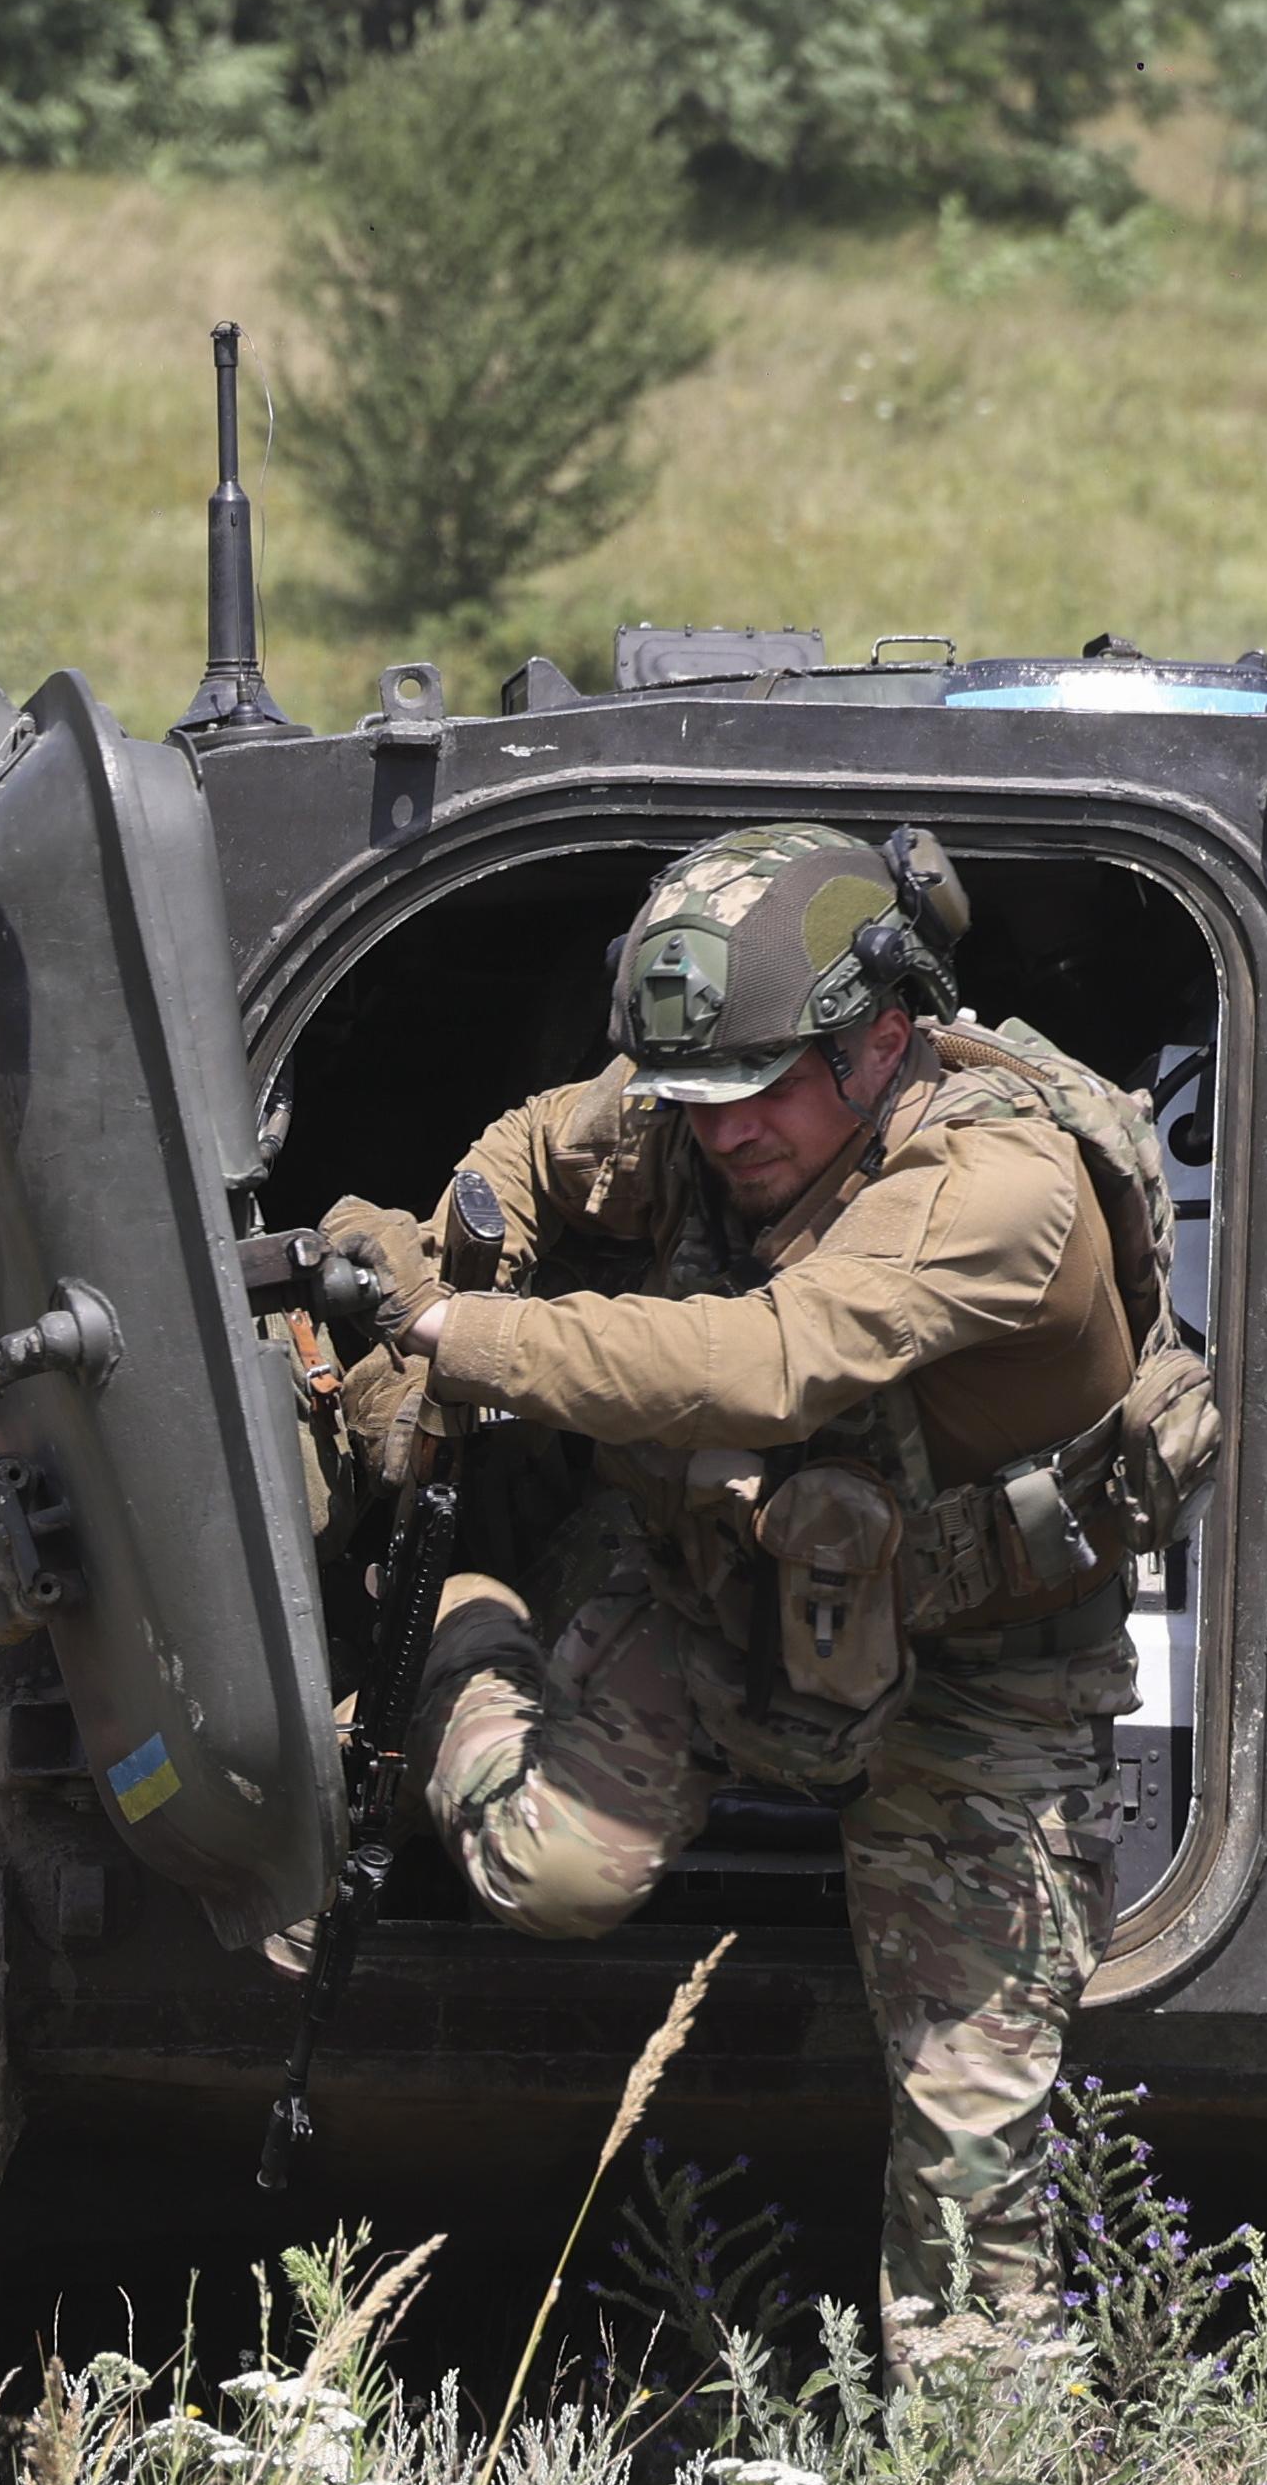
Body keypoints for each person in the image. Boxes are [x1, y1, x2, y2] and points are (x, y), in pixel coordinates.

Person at [314, 825, 1210, 2361]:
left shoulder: (1002, 1185)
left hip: (979, 1673)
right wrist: (478, 1242)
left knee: (976, 2152)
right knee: (550, 1871)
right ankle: (455, 1619)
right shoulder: (715, 1090)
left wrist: (461, 1335)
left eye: (753, 1098)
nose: (717, 1136)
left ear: (880, 1039)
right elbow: (538, 1142)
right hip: (718, 1584)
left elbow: (773, 1357)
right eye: (690, 1100)